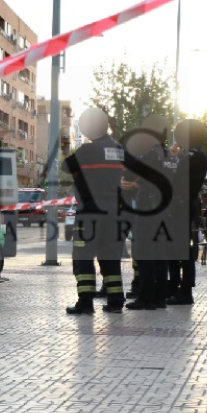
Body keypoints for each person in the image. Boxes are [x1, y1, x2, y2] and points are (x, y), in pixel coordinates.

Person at [62, 107, 127, 314]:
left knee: (83, 256)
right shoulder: (119, 150)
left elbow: (66, 167)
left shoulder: (87, 151)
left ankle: (86, 302)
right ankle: (116, 300)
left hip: (90, 212)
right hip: (114, 212)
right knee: (110, 256)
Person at [119, 114, 175, 311]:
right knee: (160, 254)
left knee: (144, 253)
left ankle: (145, 298)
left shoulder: (150, 155)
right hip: (166, 210)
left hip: (148, 209)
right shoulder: (171, 156)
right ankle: (159, 298)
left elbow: (130, 176)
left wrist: (132, 182)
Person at [166, 119, 207, 306]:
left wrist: (174, 158)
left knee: (181, 249)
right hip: (185, 205)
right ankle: (177, 286)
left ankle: (183, 289)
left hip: (182, 206)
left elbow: (176, 177)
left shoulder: (193, 156)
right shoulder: (196, 155)